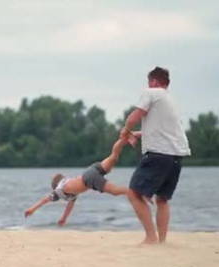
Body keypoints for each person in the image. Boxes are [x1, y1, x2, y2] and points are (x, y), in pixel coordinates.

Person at [120, 66, 191, 244]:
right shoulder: (171, 100)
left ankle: (150, 238)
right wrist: (141, 133)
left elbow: (134, 116)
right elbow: (168, 130)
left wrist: (125, 131)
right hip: (176, 156)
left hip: (158, 155)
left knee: (133, 193)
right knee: (162, 199)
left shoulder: (151, 92)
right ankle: (162, 240)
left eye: (148, 82)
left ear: (153, 81)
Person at [24, 132, 141, 226]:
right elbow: (69, 207)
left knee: (115, 191)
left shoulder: (60, 189)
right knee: (114, 156)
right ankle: (126, 138)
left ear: (55, 186)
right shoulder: (70, 192)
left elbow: (45, 200)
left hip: (89, 178)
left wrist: (32, 209)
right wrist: (63, 219)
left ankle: (137, 192)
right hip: (90, 170)